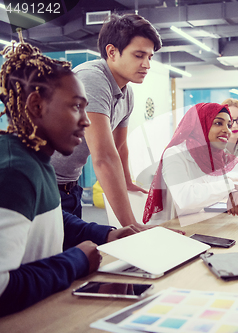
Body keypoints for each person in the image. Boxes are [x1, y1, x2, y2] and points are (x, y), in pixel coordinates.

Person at [0, 35, 140, 317]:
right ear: (37, 106)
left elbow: (51, 218)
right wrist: (75, 261)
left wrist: (106, 234)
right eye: (76, 106)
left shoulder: (35, 160)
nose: (86, 120)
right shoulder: (15, 171)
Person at [50, 13, 162, 227]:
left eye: (150, 57)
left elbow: (119, 147)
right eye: (139, 55)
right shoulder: (91, 78)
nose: (147, 64)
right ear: (112, 52)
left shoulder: (126, 93)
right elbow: (103, 158)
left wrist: (127, 181)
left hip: (70, 186)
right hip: (42, 184)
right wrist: (131, 224)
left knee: (72, 250)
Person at [143, 103, 238, 224]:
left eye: (228, 125)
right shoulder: (175, 154)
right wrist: (233, 186)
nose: (227, 130)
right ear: (200, 125)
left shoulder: (219, 156)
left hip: (195, 225)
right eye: (219, 123)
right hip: (167, 229)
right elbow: (185, 198)